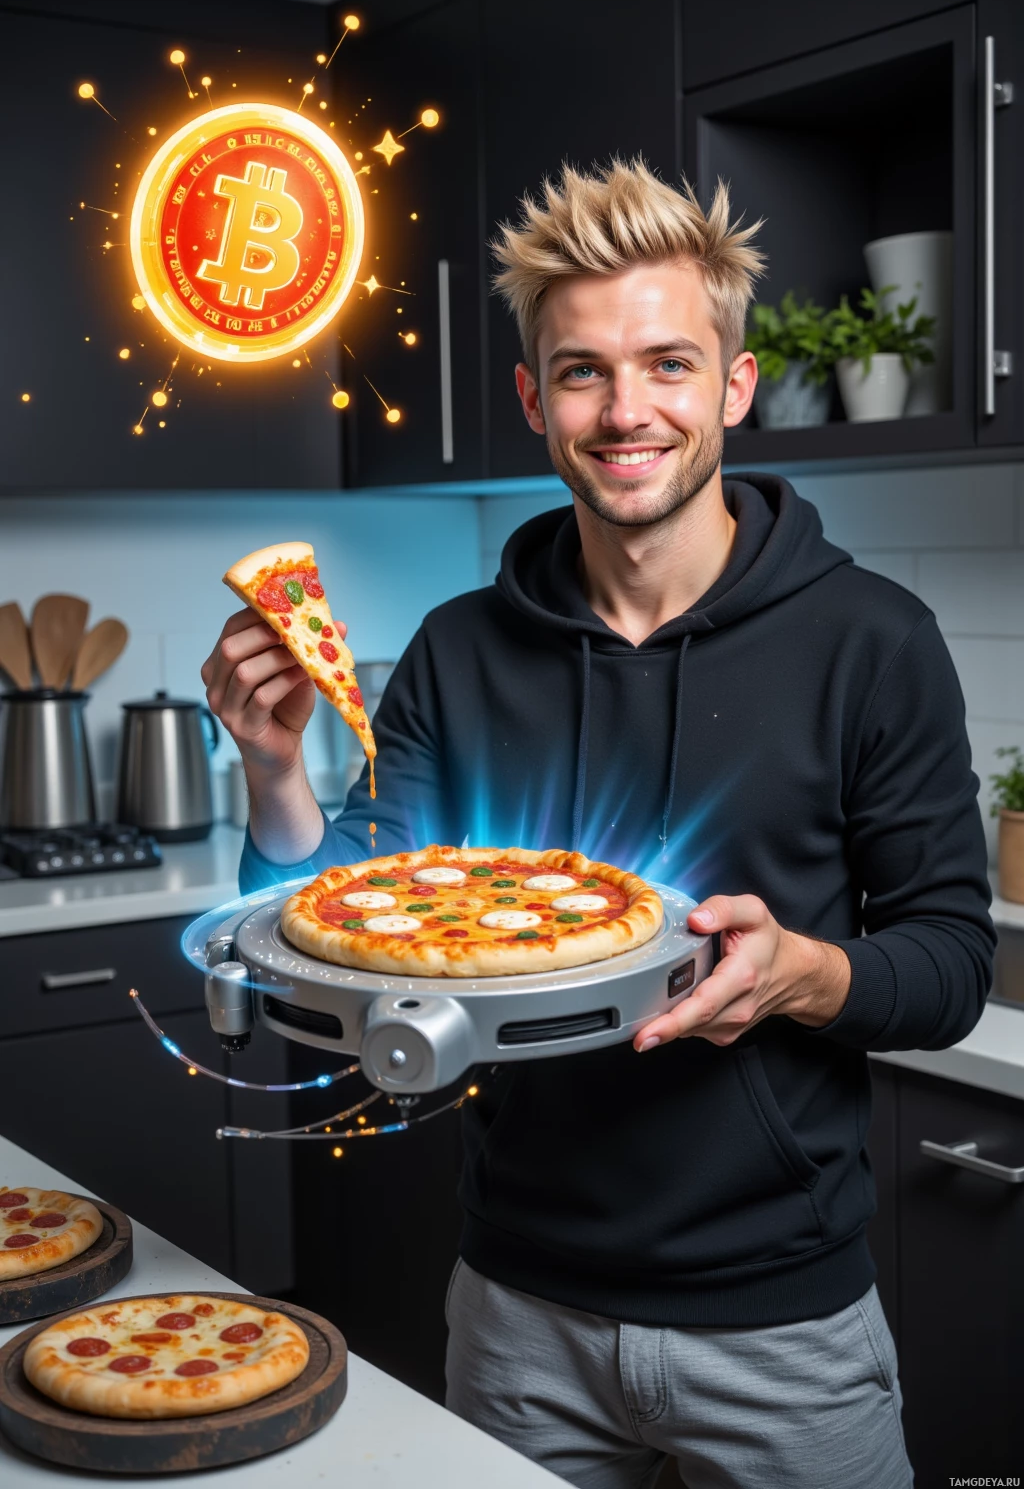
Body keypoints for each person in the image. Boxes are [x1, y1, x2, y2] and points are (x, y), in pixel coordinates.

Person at [202, 159, 993, 1489]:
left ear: (733, 387)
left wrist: (805, 972)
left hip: (784, 1330)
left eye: (670, 365)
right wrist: (273, 775)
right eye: (582, 372)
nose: (629, 411)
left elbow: (954, 965)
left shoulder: (876, 641)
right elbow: (338, 929)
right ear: (533, 401)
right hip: (519, 1319)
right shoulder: (458, 651)